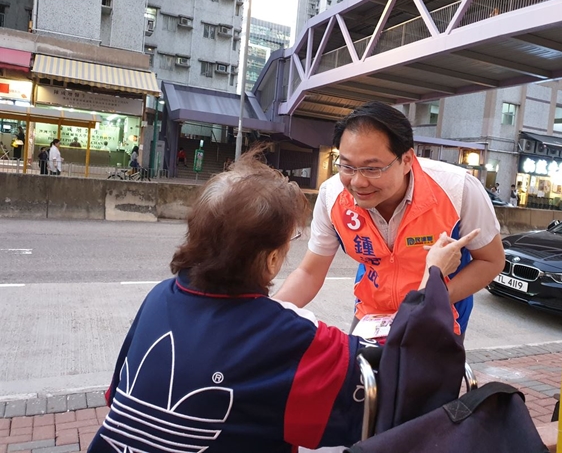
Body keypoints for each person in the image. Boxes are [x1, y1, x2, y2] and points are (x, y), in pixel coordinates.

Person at [87, 150, 471, 452]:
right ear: (272, 259)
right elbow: (404, 378)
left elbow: (117, 393)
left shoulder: (158, 298)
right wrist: (431, 277)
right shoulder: (291, 338)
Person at [274, 102, 504, 336]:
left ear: (406, 160)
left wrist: (432, 299)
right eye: (346, 166)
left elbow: (491, 261)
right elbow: (310, 273)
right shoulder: (332, 196)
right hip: (372, 316)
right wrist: (266, 314)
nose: (357, 182)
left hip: (441, 310)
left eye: (372, 169)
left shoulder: (459, 189)